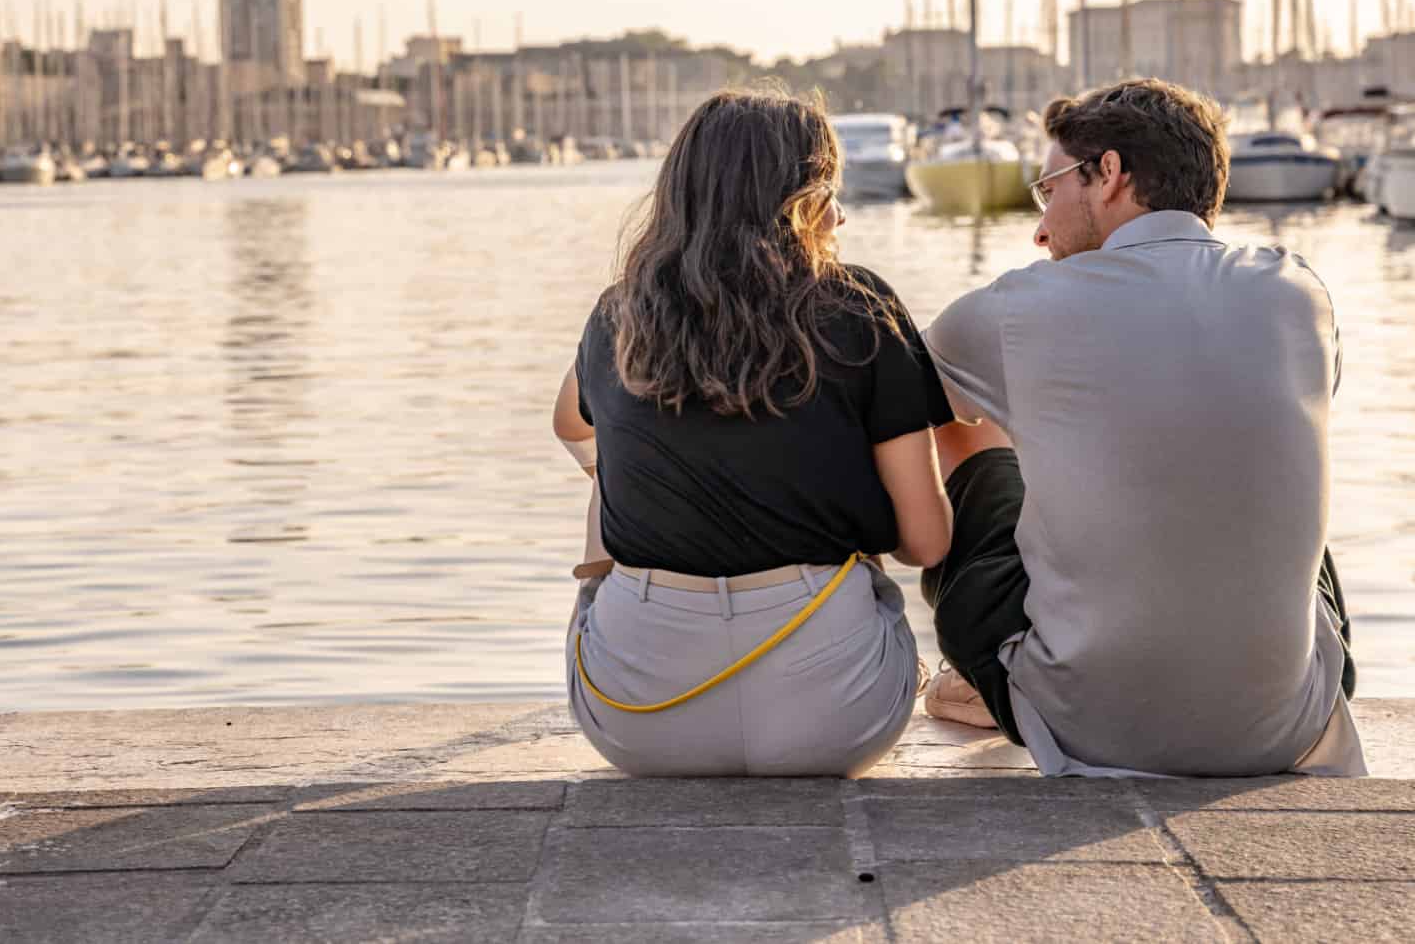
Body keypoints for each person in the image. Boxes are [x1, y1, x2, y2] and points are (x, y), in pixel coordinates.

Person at [921, 78, 1364, 777]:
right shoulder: (1299, 288)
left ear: (1109, 174)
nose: (1040, 227)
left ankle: (984, 677)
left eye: (1049, 190)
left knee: (960, 426)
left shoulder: (1016, 308)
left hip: (1093, 725)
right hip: (1287, 724)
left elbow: (889, 401)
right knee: (1250, 470)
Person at [553, 84, 956, 777]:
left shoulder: (621, 315)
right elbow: (926, 542)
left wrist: (641, 478)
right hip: (836, 718)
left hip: (638, 721)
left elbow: (569, 424)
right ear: (809, 196)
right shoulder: (862, 308)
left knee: (606, 487)